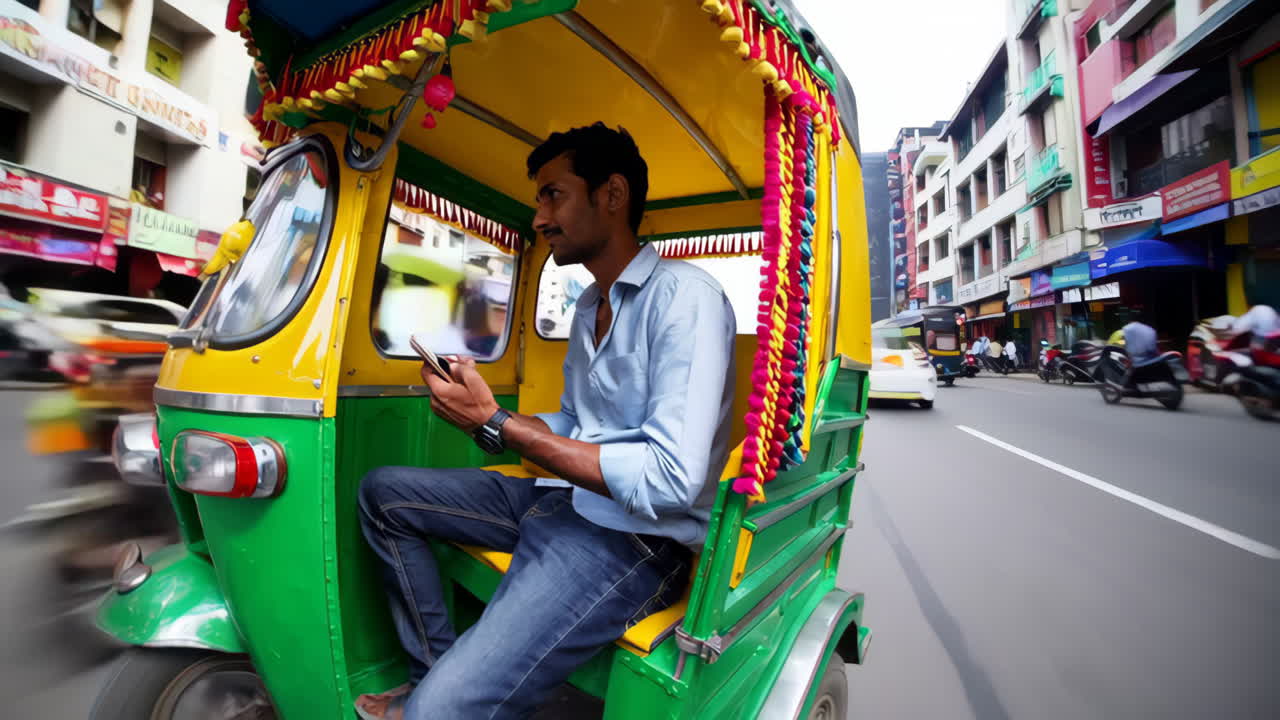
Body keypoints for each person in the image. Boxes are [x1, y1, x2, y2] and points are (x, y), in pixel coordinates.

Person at [355, 123, 736, 720]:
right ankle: (431, 670)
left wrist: (501, 425)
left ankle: (436, 701)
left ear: (611, 195)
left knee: (440, 714)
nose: (539, 217)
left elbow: (671, 479)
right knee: (382, 494)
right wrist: (481, 417)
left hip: (632, 539)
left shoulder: (686, 299)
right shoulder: (590, 306)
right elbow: (579, 423)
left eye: (552, 195)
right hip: (557, 497)